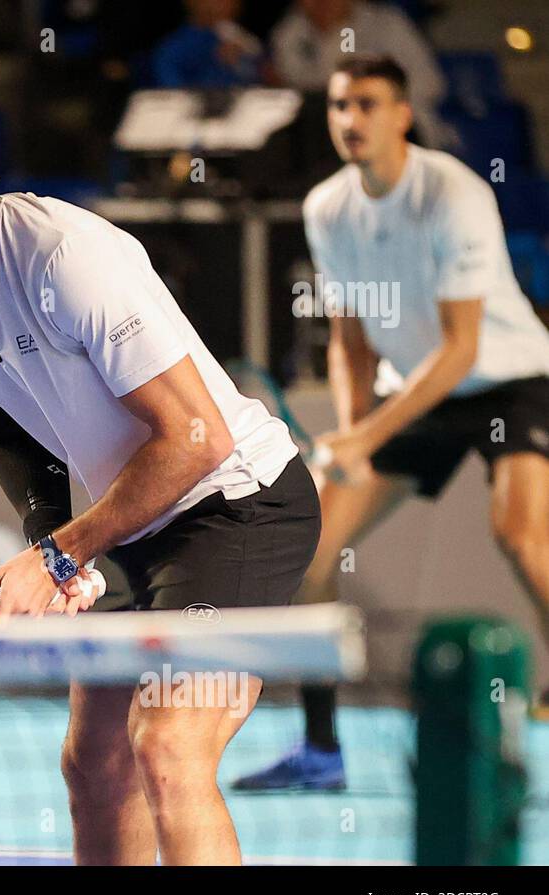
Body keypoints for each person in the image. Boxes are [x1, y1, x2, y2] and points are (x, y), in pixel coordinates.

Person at [0, 59, 320, 864]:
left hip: (236, 506)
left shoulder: (62, 254)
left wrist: (63, 552)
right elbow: (14, 439)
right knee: (94, 763)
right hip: (133, 519)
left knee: (168, 747)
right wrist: (49, 542)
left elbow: (199, 438)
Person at [233, 55, 549, 792]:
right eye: (341, 106)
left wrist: (369, 436)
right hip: (414, 393)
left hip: (509, 381)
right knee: (310, 548)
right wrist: (349, 431)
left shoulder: (453, 192)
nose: (351, 119)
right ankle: (319, 752)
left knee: (520, 533)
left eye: (368, 104)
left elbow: (461, 345)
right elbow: (349, 338)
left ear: (402, 114)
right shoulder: (327, 208)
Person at [270, 0, 449, 147]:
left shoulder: (387, 24)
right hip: (324, 137)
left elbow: (429, 83)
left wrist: (378, 103)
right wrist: (332, 35)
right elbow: (303, 90)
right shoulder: (290, 32)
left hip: (398, 130)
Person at [152, 0, 265, 89]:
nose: (226, 4)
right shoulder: (173, 49)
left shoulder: (247, 42)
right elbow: (173, 94)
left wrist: (242, 64)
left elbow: (265, 85)